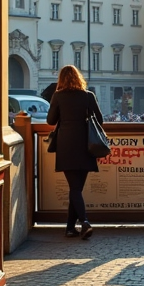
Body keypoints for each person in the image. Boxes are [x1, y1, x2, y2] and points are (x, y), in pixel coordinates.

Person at [45, 65, 101, 239]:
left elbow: (50, 120)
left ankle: (80, 223)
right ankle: (76, 225)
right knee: (76, 188)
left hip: (66, 145)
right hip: (86, 145)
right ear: (79, 78)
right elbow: (99, 120)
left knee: (74, 188)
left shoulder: (58, 96)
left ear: (61, 80)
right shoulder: (88, 96)